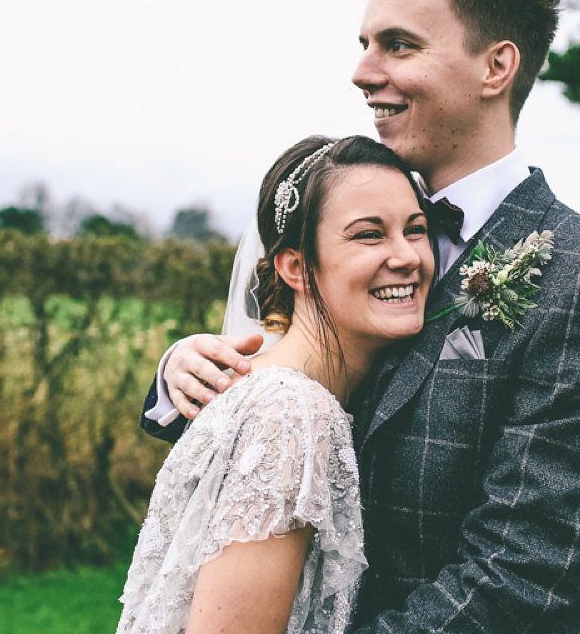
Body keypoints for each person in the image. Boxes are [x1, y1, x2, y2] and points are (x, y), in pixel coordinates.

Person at [145, 0, 580, 633]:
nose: (362, 71)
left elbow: (522, 575)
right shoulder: (348, 218)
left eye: (399, 45)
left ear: (495, 66)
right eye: (365, 44)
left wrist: (561, 596)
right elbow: (262, 454)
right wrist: (184, 369)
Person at [119, 135, 435, 634]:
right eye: (369, 235)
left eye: (416, 230)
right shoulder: (291, 414)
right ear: (296, 267)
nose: (407, 256)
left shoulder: (292, 395)